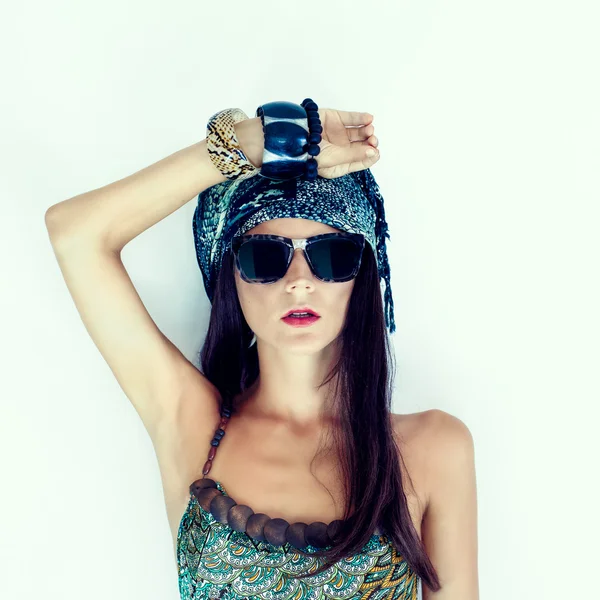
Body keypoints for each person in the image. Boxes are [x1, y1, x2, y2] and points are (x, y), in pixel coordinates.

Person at [44, 101, 479, 599]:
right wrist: (252, 142)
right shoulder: (193, 425)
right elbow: (74, 235)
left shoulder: (433, 449)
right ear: (229, 276)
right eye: (264, 254)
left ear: (362, 276)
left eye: (331, 255)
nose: (299, 282)